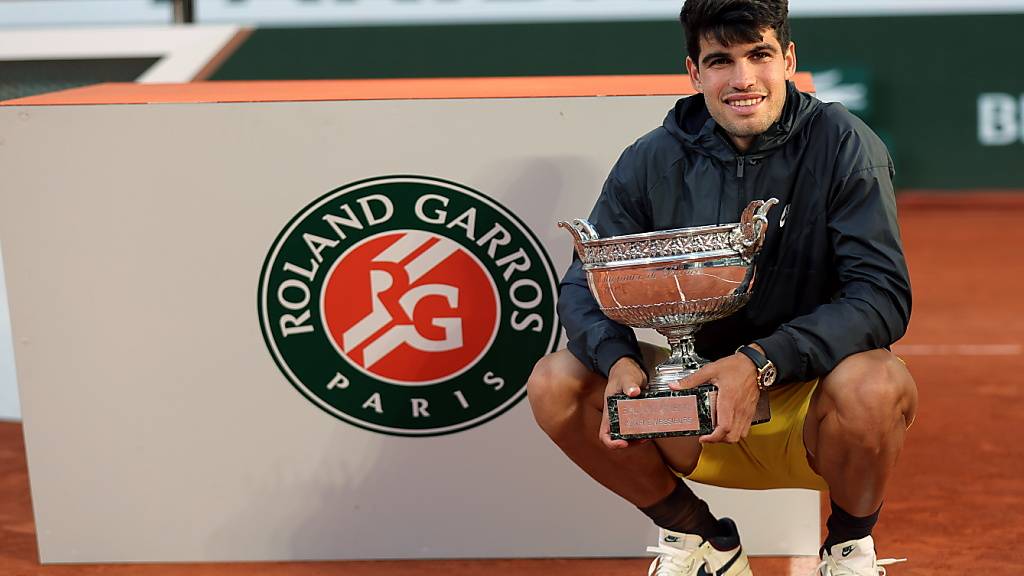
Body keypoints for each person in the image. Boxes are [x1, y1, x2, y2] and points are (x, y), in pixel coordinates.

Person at [526, 1, 918, 574]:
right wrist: (618, 361)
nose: (743, 79)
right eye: (720, 61)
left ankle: (848, 550)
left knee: (876, 384)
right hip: (694, 408)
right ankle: (703, 541)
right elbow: (585, 283)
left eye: (759, 55)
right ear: (694, 72)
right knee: (557, 382)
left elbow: (881, 295)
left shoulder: (843, 143)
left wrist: (759, 361)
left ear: (788, 60)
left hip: (814, 410)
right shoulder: (651, 159)